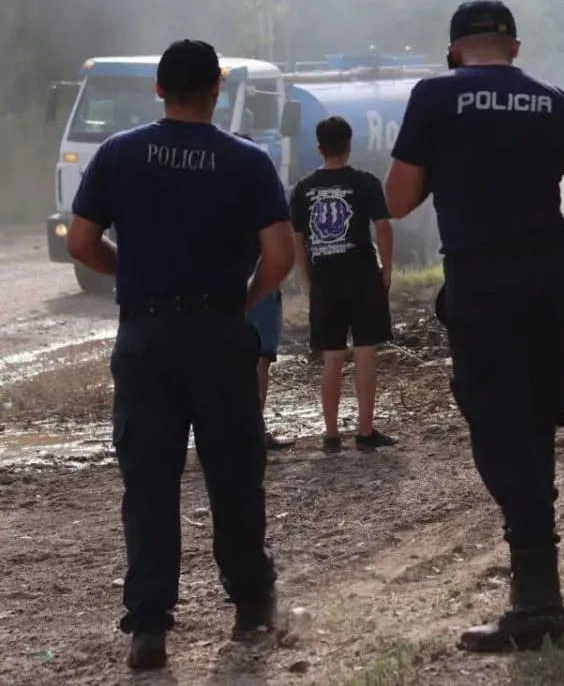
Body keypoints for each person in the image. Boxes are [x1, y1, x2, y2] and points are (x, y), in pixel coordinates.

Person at [384, 0, 564, 653]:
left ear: (453, 51)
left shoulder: (434, 97)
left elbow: (395, 199)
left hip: (484, 285)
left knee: (499, 433)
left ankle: (537, 602)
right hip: (551, 282)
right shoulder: (555, 101)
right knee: (533, 426)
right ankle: (540, 597)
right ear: (514, 47)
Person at [65, 39, 291, 669]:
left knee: (149, 482)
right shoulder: (247, 162)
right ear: (216, 92)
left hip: (146, 337)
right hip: (219, 334)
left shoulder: (118, 153)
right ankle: (250, 604)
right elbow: (279, 258)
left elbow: (81, 241)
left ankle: (149, 628)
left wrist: (129, 275)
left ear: (159, 90)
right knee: (234, 474)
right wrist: (241, 303)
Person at [290, 115, 397, 451]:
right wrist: (387, 270)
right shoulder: (366, 182)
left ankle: (331, 433)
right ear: (350, 145)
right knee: (365, 353)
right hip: (363, 276)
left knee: (332, 358)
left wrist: (307, 276)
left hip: (325, 280)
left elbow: (298, 238)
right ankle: (365, 431)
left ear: (319, 148)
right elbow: (383, 227)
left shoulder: (304, 188)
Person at [234, 133, 295, 451]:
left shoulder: (211, 193)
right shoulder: (260, 188)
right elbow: (280, 250)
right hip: (260, 285)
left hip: (219, 287)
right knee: (259, 359)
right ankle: (253, 430)